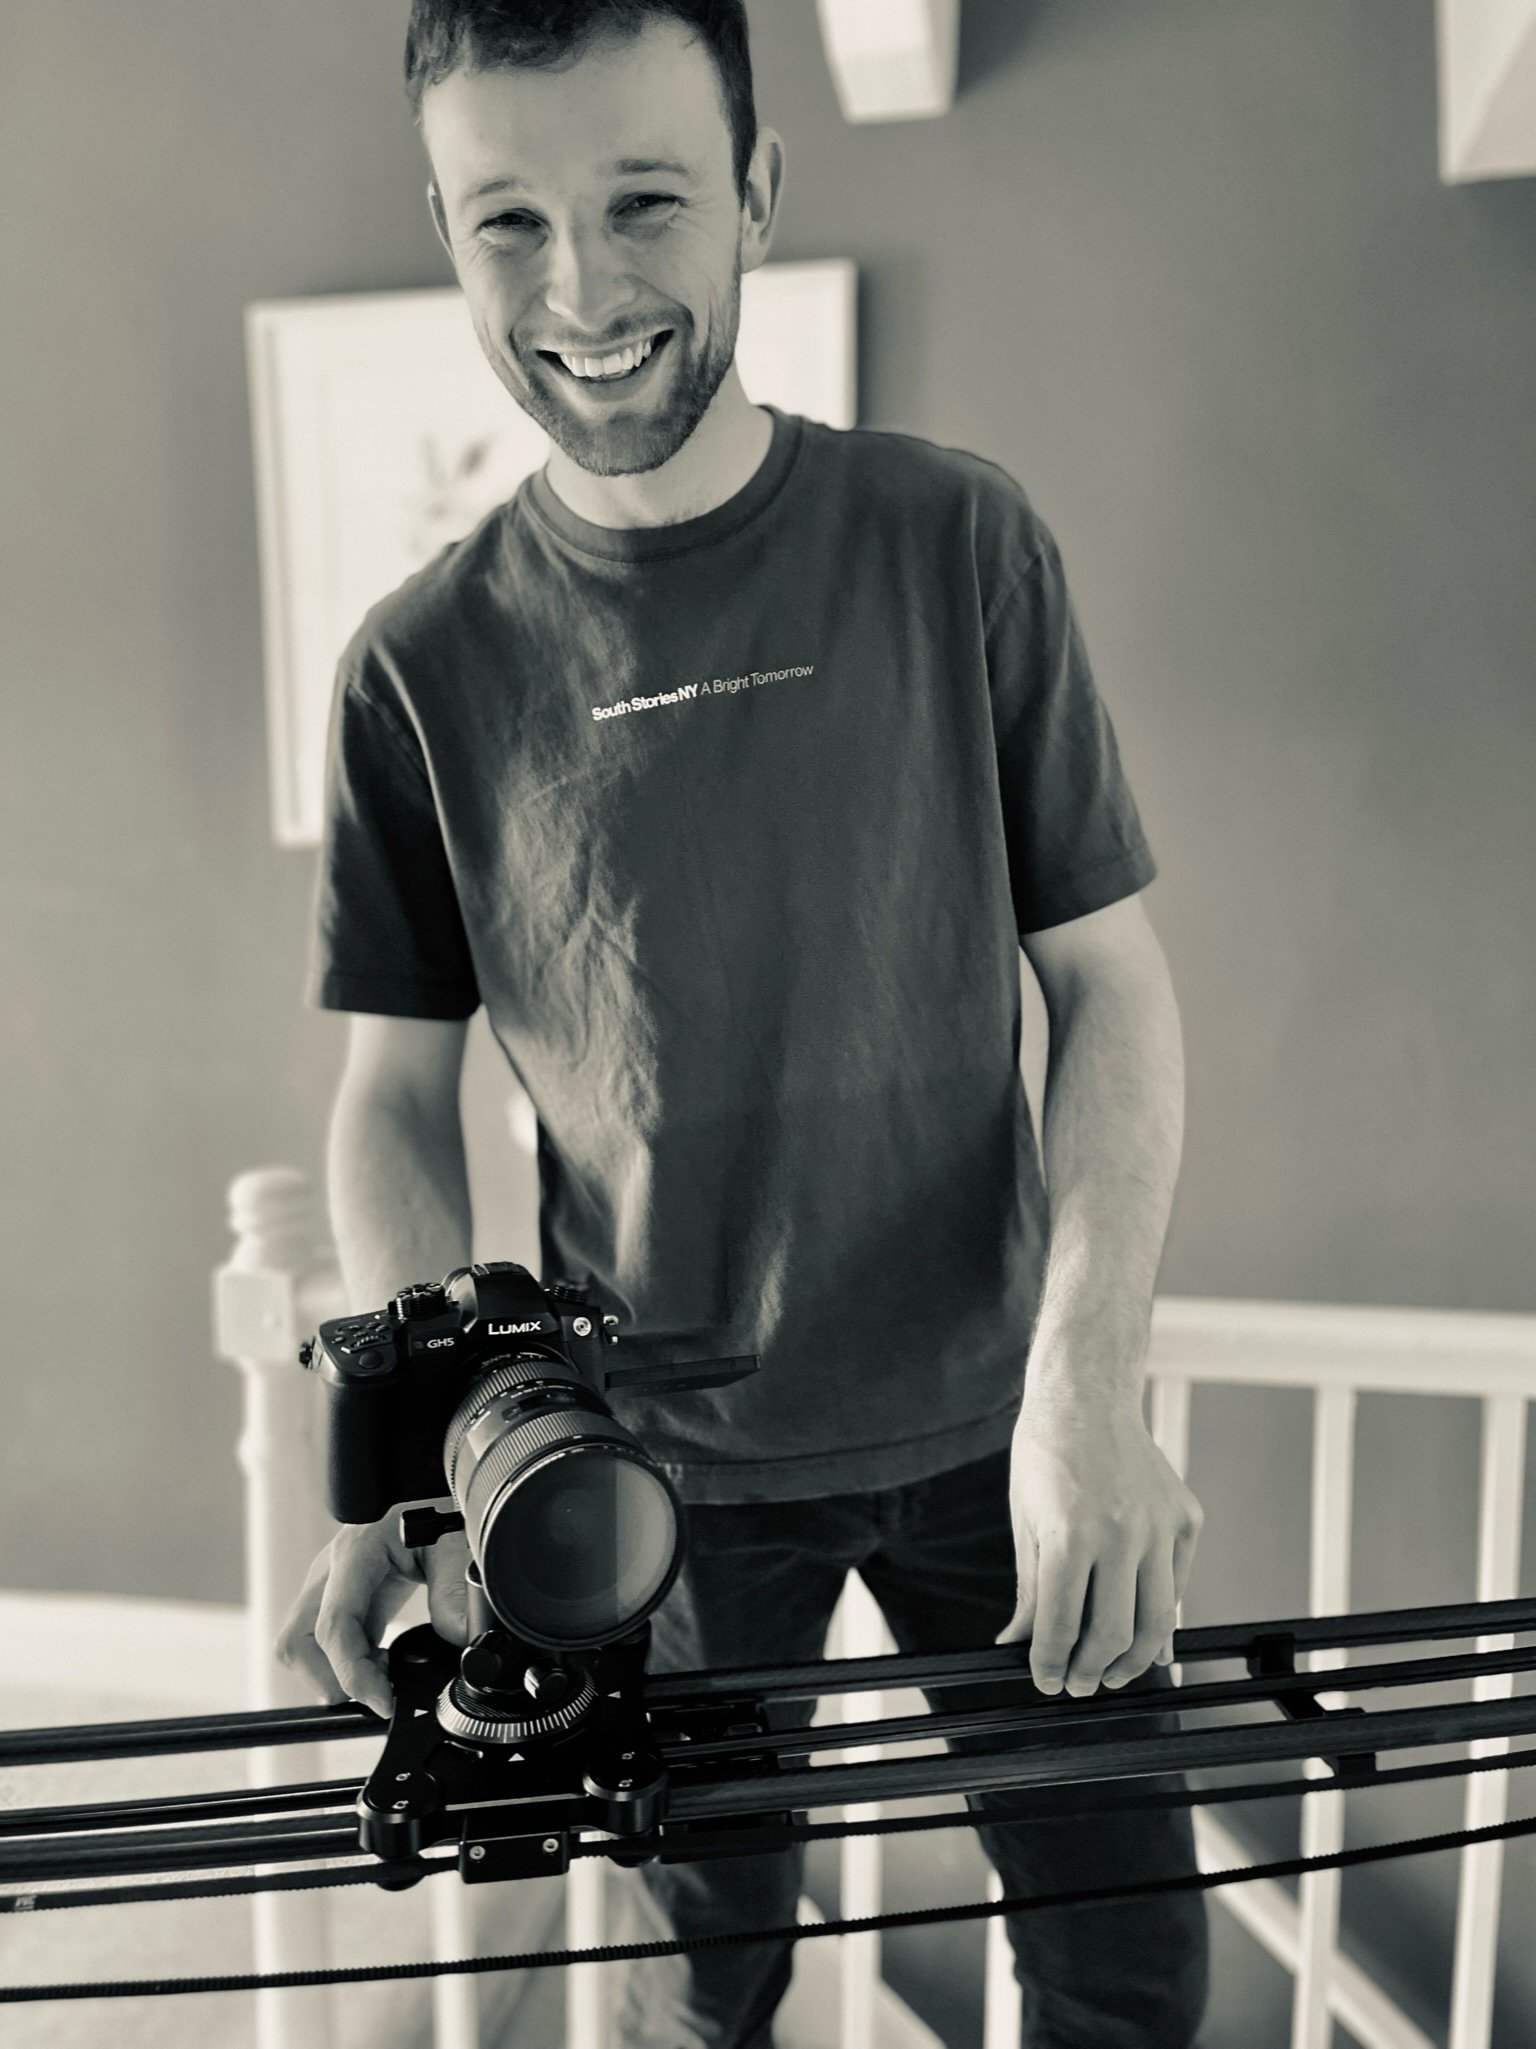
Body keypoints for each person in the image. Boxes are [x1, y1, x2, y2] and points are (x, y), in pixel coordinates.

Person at [276, 3, 1210, 2043]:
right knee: (699, 1992)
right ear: (447, 235)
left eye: (644, 205)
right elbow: (392, 1091)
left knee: (1131, 1967)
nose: (583, 288)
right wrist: (417, 1479)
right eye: (507, 221)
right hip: (647, 1475)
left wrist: (1089, 1384)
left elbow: (1112, 984)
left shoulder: (959, 540)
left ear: (758, 200)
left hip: (1001, 1425)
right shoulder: (415, 669)